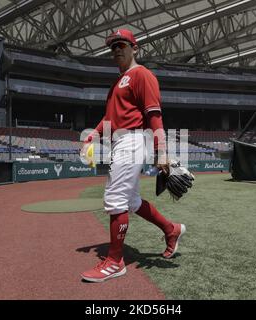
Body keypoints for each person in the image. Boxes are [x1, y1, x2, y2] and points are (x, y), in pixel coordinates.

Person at [80, 29, 186, 283]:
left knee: (115, 198)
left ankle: (115, 262)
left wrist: (162, 151)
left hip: (134, 139)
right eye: (113, 46)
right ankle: (171, 230)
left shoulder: (142, 74)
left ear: (134, 48)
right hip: (120, 141)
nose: (116, 49)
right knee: (132, 201)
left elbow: (154, 115)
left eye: (122, 44)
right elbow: (109, 119)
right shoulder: (118, 82)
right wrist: (92, 135)